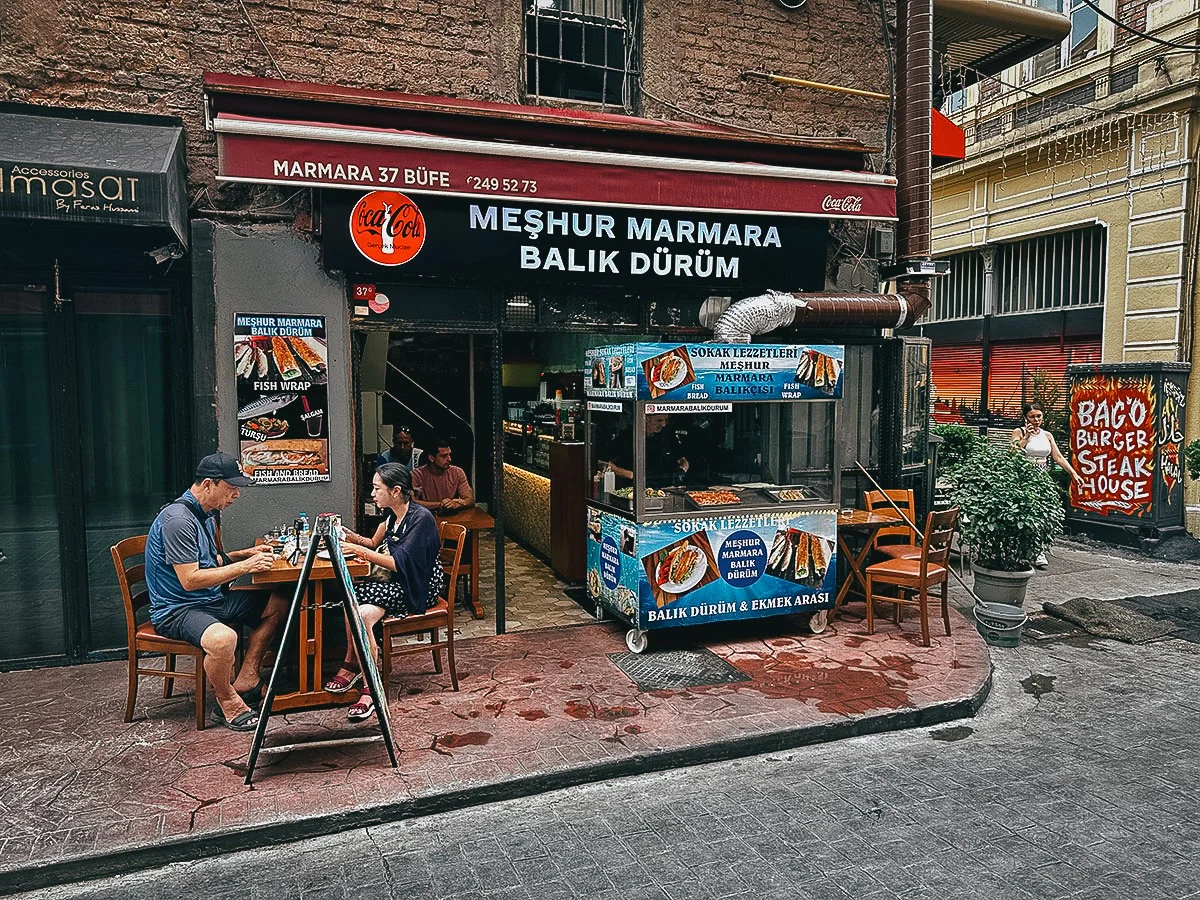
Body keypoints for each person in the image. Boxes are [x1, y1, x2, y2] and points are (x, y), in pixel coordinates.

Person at [144, 452, 287, 732]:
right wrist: (246, 566)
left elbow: (211, 563)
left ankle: (247, 677)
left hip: (211, 599)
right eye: (231, 487)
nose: (236, 494)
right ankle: (227, 700)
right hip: (179, 609)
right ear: (208, 484)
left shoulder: (205, 514)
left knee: (281, 600)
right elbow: (190, 579)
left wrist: (241, 554)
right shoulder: (178, 520)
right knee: (223, 640)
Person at [323, 463, 444, 721]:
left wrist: (358, 552)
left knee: (354, 602)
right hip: (394, 583)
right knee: (356, 607)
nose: (373, 494)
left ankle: (367, 686)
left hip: (418, 586)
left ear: (396, 491)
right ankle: (360, 668)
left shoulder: (420, 518)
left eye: (377, 489)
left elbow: (400, 564)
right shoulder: (391, 517)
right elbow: (373, 543)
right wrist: (349, 536)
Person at [1011, 402, 1082, 568]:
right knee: (1026, 513)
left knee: (1041, 514)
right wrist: (1026, 438)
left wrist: (1073, 473)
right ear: (1025, 417)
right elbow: (1013, 453)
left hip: (1042, 476)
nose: (1036, 420)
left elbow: (1058, 457)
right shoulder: (1019, 432)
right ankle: (1023, 549)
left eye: (1039, 416)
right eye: (1032, 416)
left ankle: (1038, 550)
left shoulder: (1047, 435)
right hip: (1024, 476)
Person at [606, 413, 690, 488]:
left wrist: (681, 470)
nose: (663, 424)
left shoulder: (667, 435)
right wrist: (631, 475)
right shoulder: (627, 436)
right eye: (659, 420)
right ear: (646, 418)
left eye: (665, 420)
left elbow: (682, 459)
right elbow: (605, 462)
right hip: (634, 489)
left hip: (664, 487)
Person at [412, 438, 474, 512]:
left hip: (452, 516)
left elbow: (470, 500)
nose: (449, 459)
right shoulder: (416, 475)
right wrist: (441, 504)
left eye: (449, 455)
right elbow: (412, 503)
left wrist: (456, 504)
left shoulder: (457, 472)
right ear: (431, 458)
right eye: (444, 456)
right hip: (427, 517)